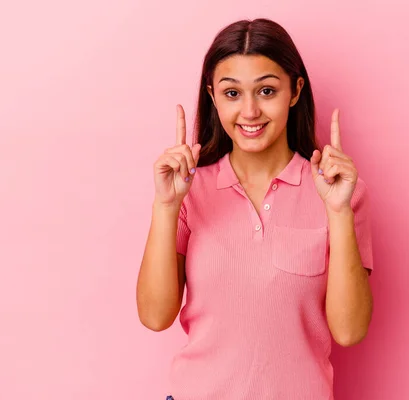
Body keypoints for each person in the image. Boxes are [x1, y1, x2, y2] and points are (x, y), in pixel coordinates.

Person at [136, 17, 374, 400]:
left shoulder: (341, 193)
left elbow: (349, 331)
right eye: (232, 94)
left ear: (295, 91)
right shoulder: (189, 191)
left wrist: (340, 212)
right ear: (212, 95)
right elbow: (154, 315)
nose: (249, 111)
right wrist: (166, 206)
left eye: (266, 91)